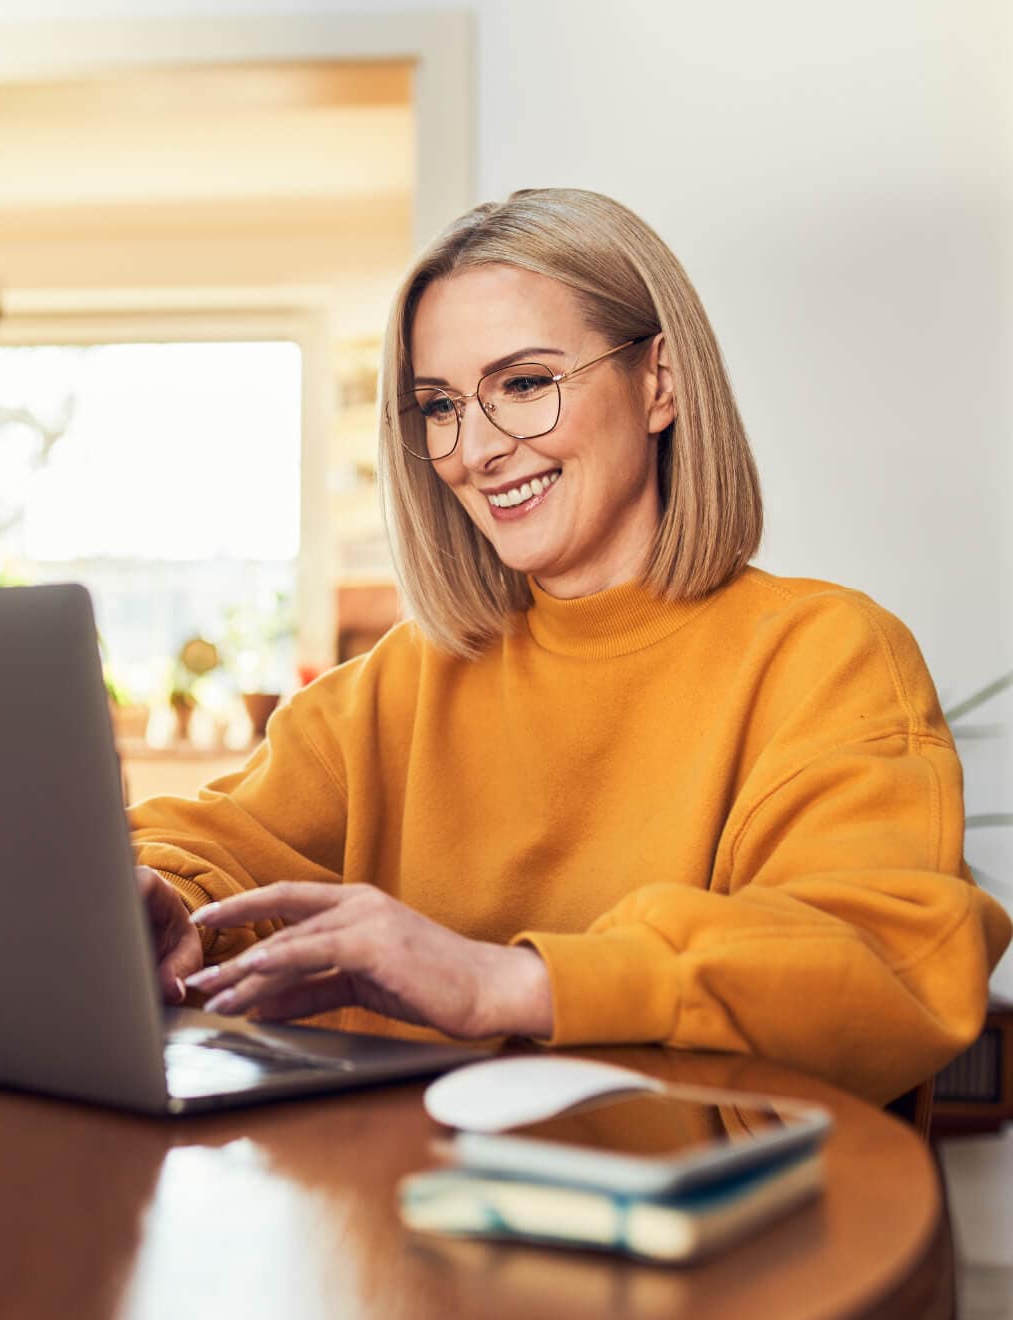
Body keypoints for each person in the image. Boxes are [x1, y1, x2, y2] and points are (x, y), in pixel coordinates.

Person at [127, 188, 1010, 1105]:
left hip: (693, 1228)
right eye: (439, 405)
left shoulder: (826, 657)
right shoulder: (401, 684)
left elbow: (888, 961)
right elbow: (209, 840)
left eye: (524, 384)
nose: (475, 449)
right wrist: (162, 897)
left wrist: (509, 982)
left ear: (658, 382)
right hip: (412, 1214)